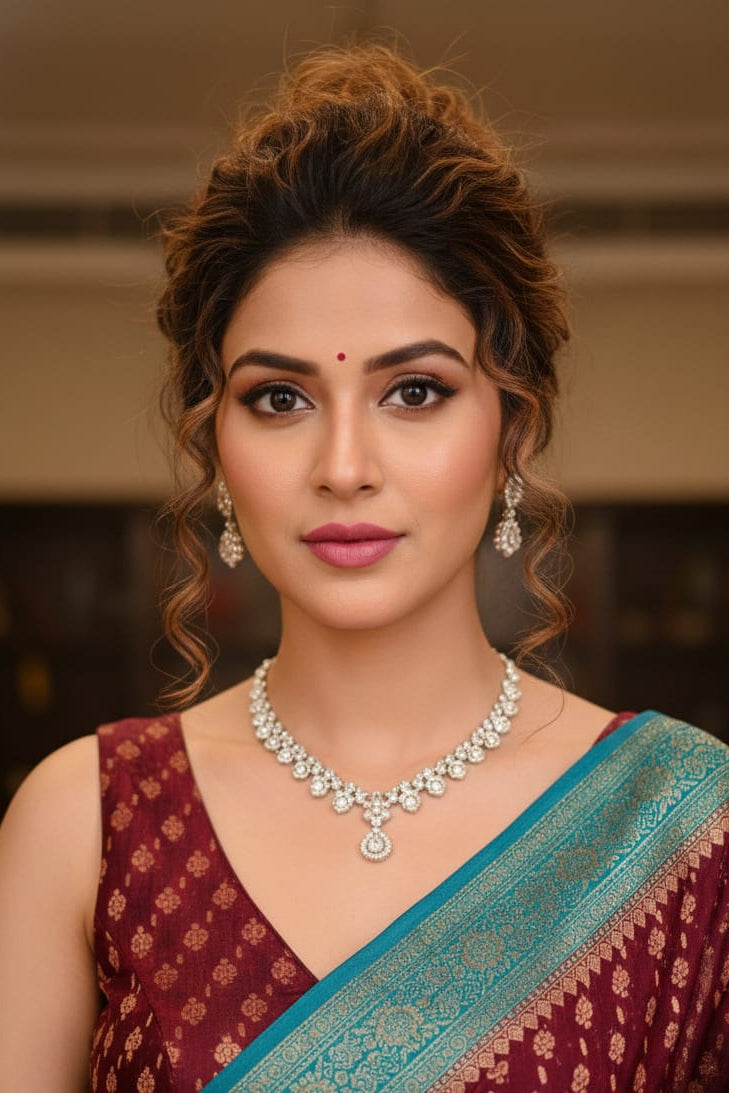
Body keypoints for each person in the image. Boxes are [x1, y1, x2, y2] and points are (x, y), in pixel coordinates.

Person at [1, 42, 728, 1093]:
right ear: (216, 447)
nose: (344, 468)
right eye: (280, 399)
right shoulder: (89, 825)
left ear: (513, 431)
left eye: (416, 391)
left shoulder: (681, 828)